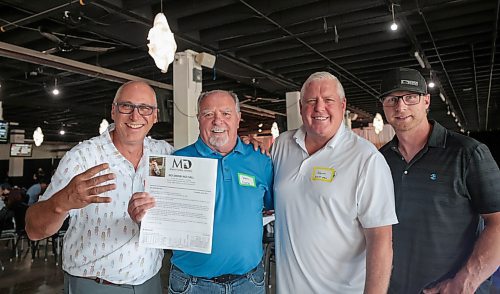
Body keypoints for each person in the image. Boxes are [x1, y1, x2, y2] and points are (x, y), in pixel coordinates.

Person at [25, 80, 175, 294]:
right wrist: (62, 201)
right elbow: (33, 230)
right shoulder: (82, 157)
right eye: (126, 106)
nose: (135, 116)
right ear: (113, 111)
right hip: (95, 285)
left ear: (155, 115)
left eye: (145, 108)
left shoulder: (164, 153)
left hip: (150, 281)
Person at [128, 90, 273, 294]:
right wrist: (141, 216)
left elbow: (271, 207)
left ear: (239, 119)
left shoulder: (261, 161)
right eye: (208, 114)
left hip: (248, 282)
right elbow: (158, 221)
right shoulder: (175, 161)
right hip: (192, 284)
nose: (217, 121)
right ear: (198, 119)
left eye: (226, 114)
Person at [271, 72, 398, 293]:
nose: (319, 108)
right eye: (311, 101)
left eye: (328, 100)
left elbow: (380, 239)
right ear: (301, 107)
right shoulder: (282, 145)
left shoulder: (366, 159)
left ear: (342, 105)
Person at [378, 67, 500, 294]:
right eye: (392, 99)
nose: (401, 106)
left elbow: (498, 222)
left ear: (426, 101)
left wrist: (464, 282)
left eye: (410, 97)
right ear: (383, 106)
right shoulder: (379, 160)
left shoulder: (468, 153)